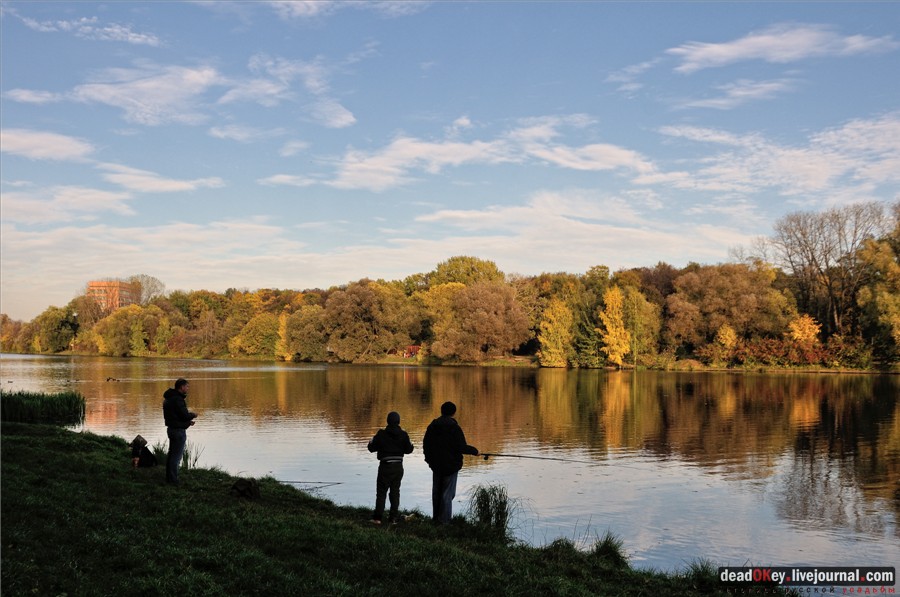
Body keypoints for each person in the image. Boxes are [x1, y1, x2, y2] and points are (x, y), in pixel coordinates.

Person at [422, 401, 478, 524]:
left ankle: (436, 518)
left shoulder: (432, 426)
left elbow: (426, 445)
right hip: (451, 466)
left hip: (436, 465)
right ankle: (445, 521)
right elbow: (461, 447)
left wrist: (429, 461)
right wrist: (474, 451)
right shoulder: (455, 428)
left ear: (441, 411)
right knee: (447, 495)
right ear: (453, 413)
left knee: (437, 493)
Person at [367, 411, 414, 524]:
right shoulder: (403, 434)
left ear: (387, 421)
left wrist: (371, 441)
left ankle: (377, 518)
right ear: (399, 422)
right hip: (398, 467)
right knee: (395, 492)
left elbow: (371, 448)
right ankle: (393, 518)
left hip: (385, 466)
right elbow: (409, 449)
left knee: (381, 493)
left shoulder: (381, 434)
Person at [162, 378, 197, 485]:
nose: (188, 388)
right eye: (187, 386)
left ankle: (169, 478)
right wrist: (193, 415)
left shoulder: (169, 398)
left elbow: (175, 416)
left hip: (171, 429)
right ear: (181, 387)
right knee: (176, 457)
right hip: (178, 431)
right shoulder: (178, 399)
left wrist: (188, 423)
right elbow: (184, 415)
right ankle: (173, 481)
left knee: (171, 455)